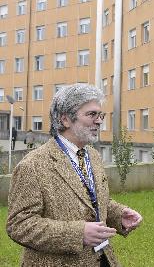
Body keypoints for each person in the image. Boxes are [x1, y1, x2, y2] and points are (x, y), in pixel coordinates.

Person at [7, 83, 142, 267]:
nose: (99, 120)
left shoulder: (92, 155)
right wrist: (77, 234)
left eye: (100, 115)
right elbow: (19, 225)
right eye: (91, 114)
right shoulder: (32, 166)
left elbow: (92, 200)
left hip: (102, 259)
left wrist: (118, 215)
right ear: (65, 120)